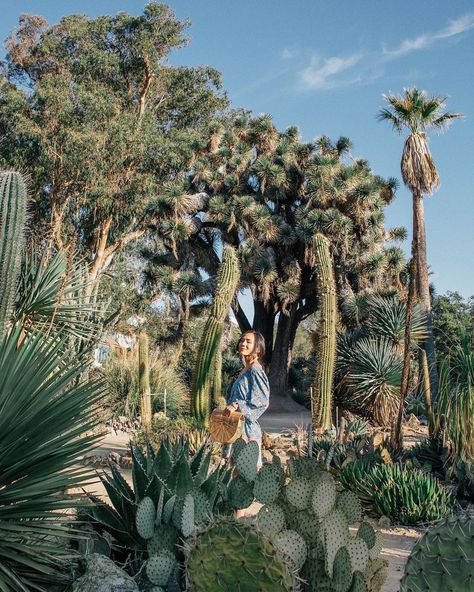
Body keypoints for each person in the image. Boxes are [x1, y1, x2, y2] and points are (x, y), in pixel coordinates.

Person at [223, 330, 270, 468]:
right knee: (233, 472)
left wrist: (237, 405)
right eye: (242, 340)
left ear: (258, 348)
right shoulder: (245, 369)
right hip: (234, 426)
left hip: (246, 429)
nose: (243, 343)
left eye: (248, 342)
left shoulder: (256, 370)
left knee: (245, 474)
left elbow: (262, 401)